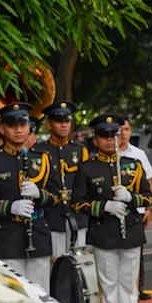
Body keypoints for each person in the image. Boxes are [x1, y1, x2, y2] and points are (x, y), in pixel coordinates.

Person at [73, 114, 152, 303]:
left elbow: (148, 197)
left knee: (129, 286)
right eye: (104, 136)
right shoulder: (87, 168)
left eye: (114, 135)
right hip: (104, 234)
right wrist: (104, 207)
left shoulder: (133, 165)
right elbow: (77, 204)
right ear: (96, 140)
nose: (110, 140)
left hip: (132, 232)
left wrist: (131, 198)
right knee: (109, 286)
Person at [0, 102, 58, 287]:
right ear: (2, 128)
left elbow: (57, 198)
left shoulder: (43, 159)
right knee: (13, 298)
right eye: (12, 126)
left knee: (41, 294)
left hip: (38, 236)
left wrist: (40, 195)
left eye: (22, 125)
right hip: (7, 238)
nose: (18, 130)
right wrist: (9, 207)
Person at [33, 100, 89, 259]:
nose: (64, 125)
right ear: (49, 124)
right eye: (58, 121)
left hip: (77, 216)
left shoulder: (79, 150)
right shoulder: (39, 151)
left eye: (67, 121)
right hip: (52, 216)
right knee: (55, 265)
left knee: (79, 265)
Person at [117, 116, 152, 301]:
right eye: (119, 130)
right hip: (114, 211)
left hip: (137, 210)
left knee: (137, 253)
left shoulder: (138, 154)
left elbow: (148, 182)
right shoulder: (108, 154)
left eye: (126, 129)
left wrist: (148, 208)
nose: (123, 134)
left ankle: (138, 288)